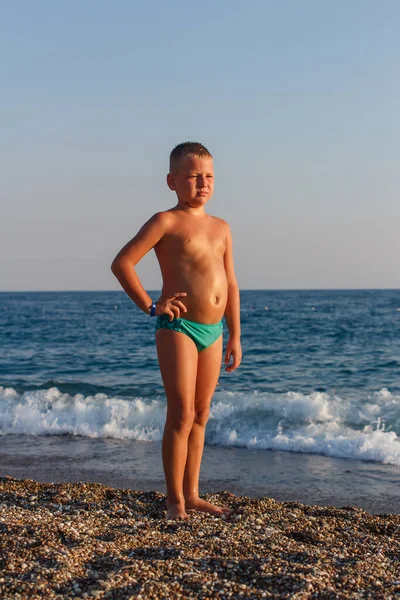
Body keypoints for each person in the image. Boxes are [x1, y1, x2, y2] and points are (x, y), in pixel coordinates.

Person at [111, 141, 242, 520]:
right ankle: (174, 501)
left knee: (201, 414)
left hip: (214, 330)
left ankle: (194, 493)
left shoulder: (222, 227)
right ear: (172, 181)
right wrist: (152, 305)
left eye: (209, 176)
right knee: (181, 413)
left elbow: (231, 284)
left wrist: (235, 333)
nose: (203, 183)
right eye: (193, 176)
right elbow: (123, 263)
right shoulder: (165, 221)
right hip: (178, 327)